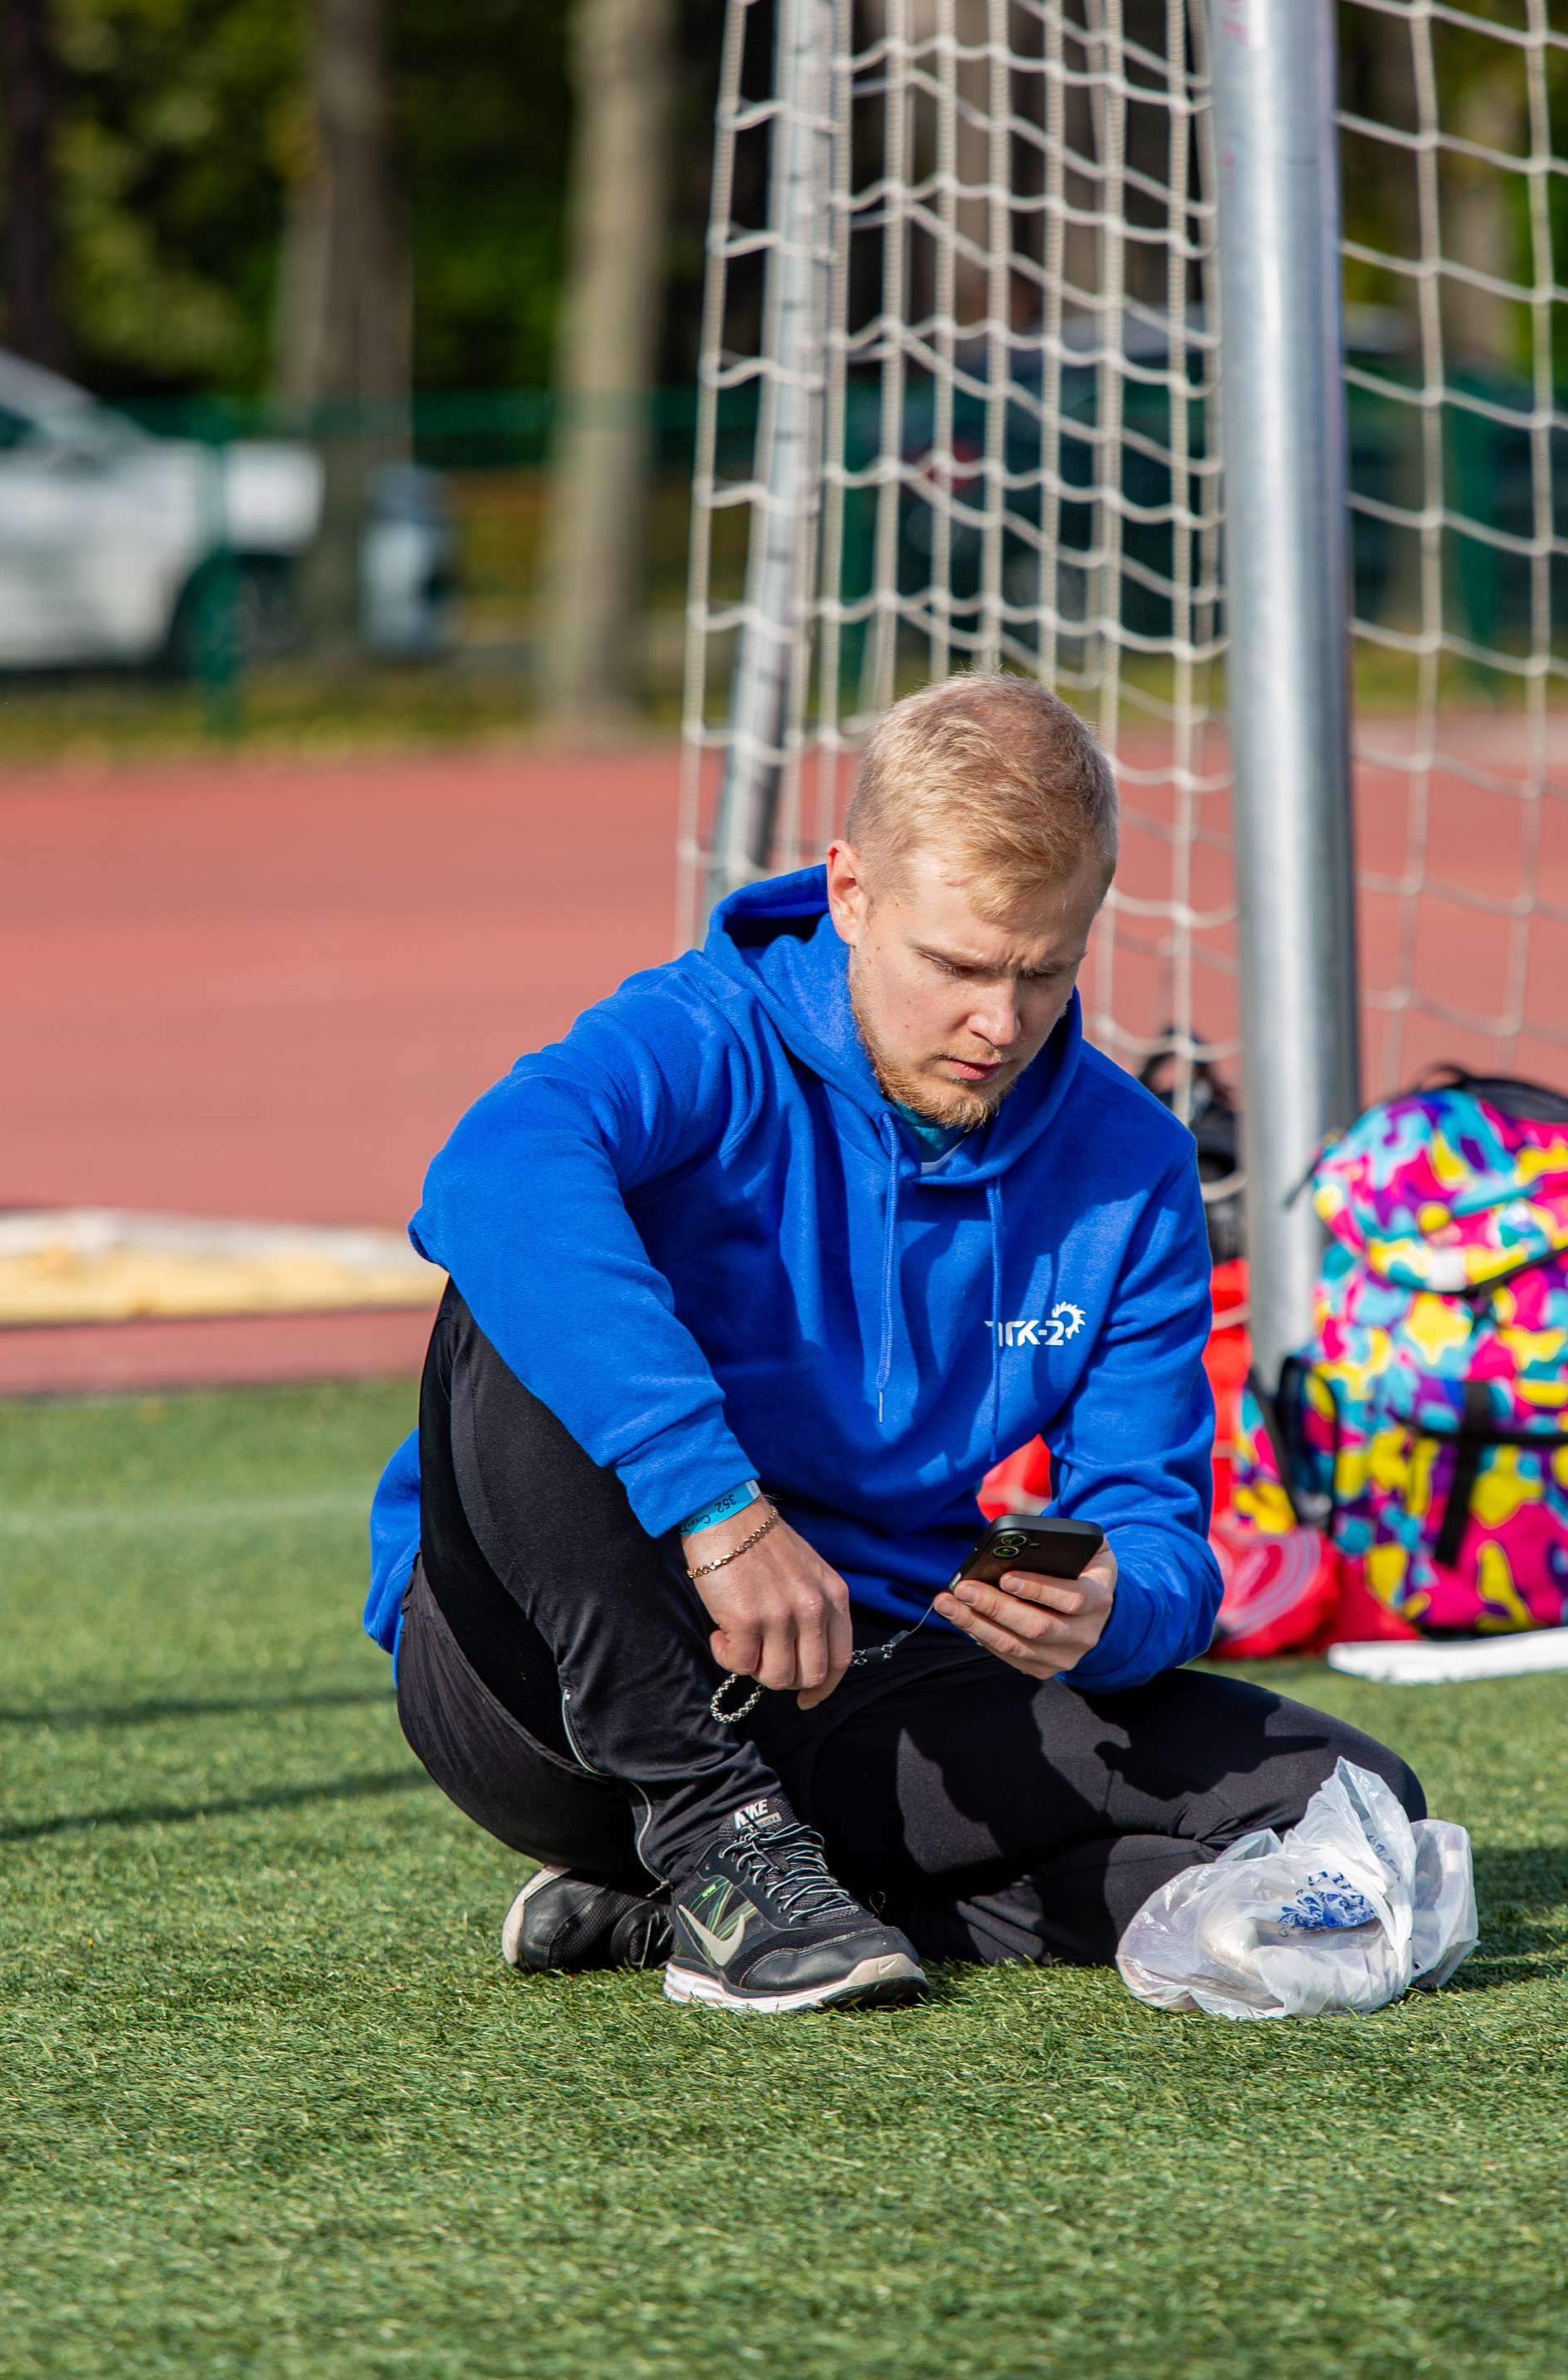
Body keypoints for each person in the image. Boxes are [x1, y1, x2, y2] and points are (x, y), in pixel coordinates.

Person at [367, 673, 1423, 2015]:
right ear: (850, 893)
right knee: (515, 1290)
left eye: (1044, 971)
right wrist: (719, 1509)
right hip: (550, 1690)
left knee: (1355, 1798)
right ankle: (712, 1840)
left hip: (865, 1679)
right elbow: (489, 1173)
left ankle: (696, 1904)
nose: (1002, 1024)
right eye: (961, 968)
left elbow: (1159, 1535)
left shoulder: (1133, 1164)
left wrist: (1110, 1608)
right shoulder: (704, 1030)